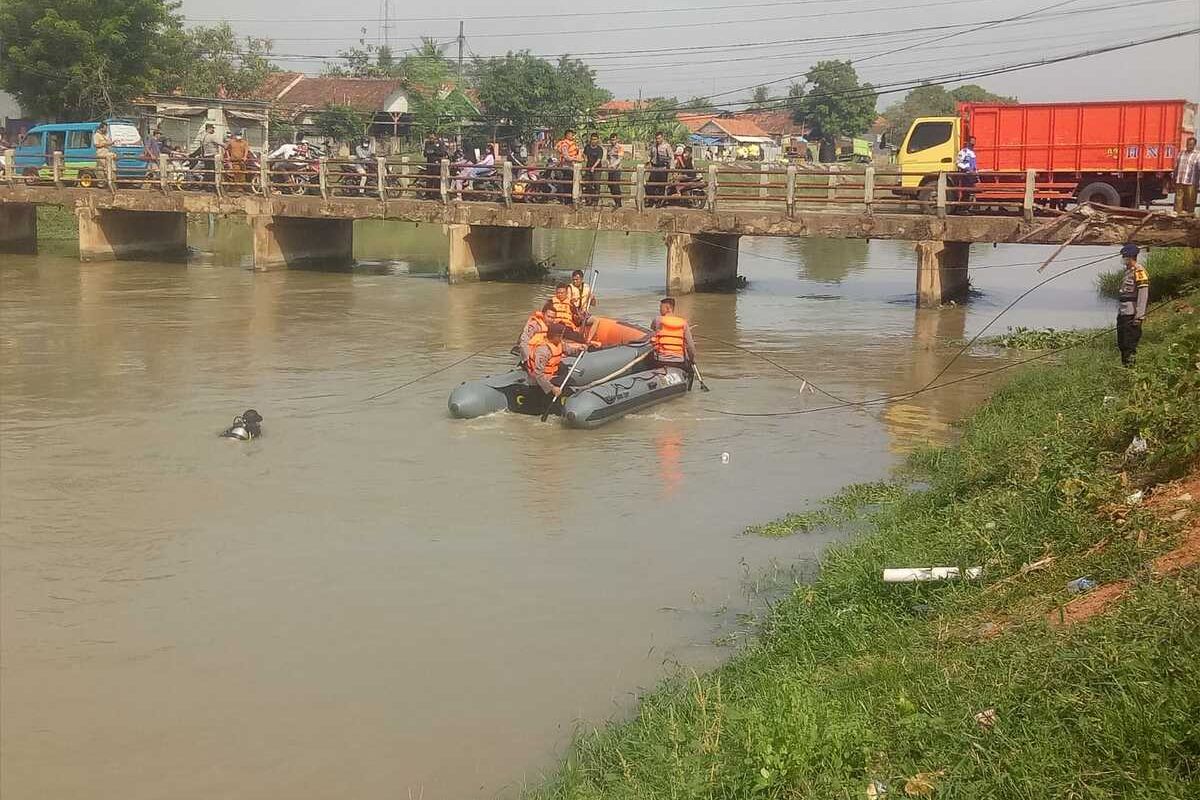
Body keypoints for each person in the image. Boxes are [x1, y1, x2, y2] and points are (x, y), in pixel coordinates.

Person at [526, 323, 587, 398]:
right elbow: (538, 374)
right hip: (539, 381)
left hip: (552, 374)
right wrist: (552, 388)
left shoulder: (558, 343)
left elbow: (569, 350)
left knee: (564, 369)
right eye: (561, 336)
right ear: (554, 336)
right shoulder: (543, 351)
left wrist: (579, 349)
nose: (562, 338)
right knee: (570, 382)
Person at [1115, 243, 1150, 367]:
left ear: (1130, 257)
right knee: (1122, 343)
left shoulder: (1139, 271)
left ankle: (1130, 371)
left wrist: (1139, 315)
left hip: (1132, 314)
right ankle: (1125, 369)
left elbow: (1143, 294)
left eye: (1125, 257)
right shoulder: (1127, 272)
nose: (1123, 259)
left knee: (1129, 345)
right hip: (1123, 313)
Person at [650, 297, 696, 378]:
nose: (660, 310)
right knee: (691, 372)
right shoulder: (683, 323)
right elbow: (691, 346)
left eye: (661, 308)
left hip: (661, 361)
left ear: (668, 308)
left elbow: (652, 331)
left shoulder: (657, 320)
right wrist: (691, 360)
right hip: (678, 362)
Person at [1173, 136, 1199, 215]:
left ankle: (1189, 217)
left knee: (1190, 200)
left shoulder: (1197, 155)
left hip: (1191, 181)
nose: (1189, 146)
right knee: (1178, 199)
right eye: (1188, 144)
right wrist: (1174, 176)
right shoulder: (1181, 153)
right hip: (1180, 180)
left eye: (1191, 144)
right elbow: (1176, 166)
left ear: (1194, 145)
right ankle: (1177, 216)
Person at [646, 130, 672, 207]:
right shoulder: (653, 146)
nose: (658, 140)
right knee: (650, 185)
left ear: (662, 138)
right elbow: (649, 155)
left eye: (659, 138)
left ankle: (659, 202)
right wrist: (647, 162)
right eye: (656, 138)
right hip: (654, 168)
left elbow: (671, 157)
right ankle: (651, 201)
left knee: (661, 186)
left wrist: (672, 168)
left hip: (663, 168)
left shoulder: (667, 146)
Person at [196, 123, 224, 189]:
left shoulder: (203, 137)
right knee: (213, 171)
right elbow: (220, 143)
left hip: (206, 155)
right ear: (208, 129)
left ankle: (204, 185)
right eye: (212, 128)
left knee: (208, 171)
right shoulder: (212, 136)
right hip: (212, 155)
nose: (213, 130)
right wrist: (227, 145)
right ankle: (211, 185)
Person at [954, 135, 978, 210]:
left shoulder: (973, 153)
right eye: (971, 143)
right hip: (965, 175)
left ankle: (966, 208)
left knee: (969, 193)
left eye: (973, 144)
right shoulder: (963, 152)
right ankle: (961, 209)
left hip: (971, 176)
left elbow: (974, 166)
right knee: (965, 192)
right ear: (967, 143)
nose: (972, 145)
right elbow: (958, 163)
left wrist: (976, 173)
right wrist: (966, 168)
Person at [421, 131, 448, 199]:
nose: (431, 139)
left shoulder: (440, 143)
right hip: (429, 163)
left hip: (437, 163)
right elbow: (425, 153)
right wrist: (429, 152)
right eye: (430, 137)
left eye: (432, 137)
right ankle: (428, 194)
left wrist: (434, 151)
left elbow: (443, 153)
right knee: (429, 179)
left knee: (436, 179)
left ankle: (435, 195)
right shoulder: (427, 143)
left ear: (435, 137)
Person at [582, 132, 604, 206]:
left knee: (597, 184)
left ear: (597, 140)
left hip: (597, 169)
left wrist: (593, 167)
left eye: (595, 139)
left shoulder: (599, 149)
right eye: (592, 139)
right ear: (590, 140)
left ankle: (595, 201)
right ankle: (588, 200)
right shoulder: (587, 147)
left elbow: (599, 159)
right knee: (587, 184)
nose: (593, 141)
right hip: (588, 168)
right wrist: (584, 158)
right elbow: (584, 154)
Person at [606, 133, 624, 208]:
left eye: (614, 139)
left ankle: (618, 202)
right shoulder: (609, 148)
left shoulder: (620, 147)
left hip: (617, 169)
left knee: (616, 185)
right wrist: (608, 164)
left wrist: (613, 165)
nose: (612, 141)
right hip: (610, 169)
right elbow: (607, 157)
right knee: (610, 185)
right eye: (611, 140)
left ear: (617, 139)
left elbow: (620, 159)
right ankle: (615, 200)